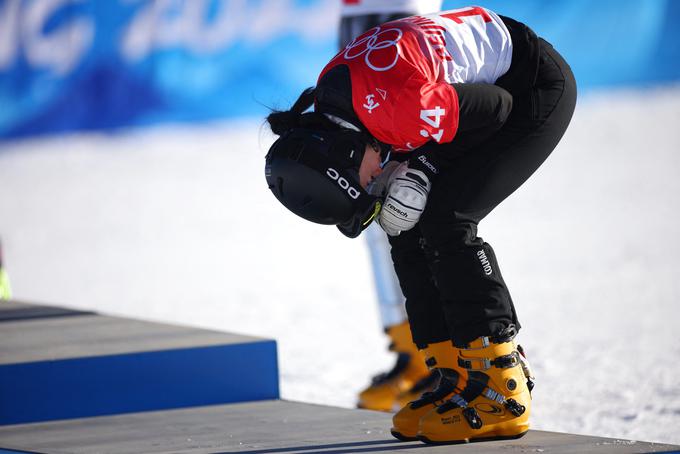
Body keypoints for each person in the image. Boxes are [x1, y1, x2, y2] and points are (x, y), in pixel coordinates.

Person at [265, 5, 576, 444]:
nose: (373, 184)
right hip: (459, 97)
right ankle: (454, 378)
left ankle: (504, 389)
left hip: (530, 87)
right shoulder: (337, 110)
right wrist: (415, 164)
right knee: (403, 223)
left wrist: (425, 163)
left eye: (364, 183)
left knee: (448, 219)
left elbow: (497, 108)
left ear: (346, 155)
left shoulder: (397, 111)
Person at [338, 0, 443, 413]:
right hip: (355, 19)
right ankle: (411, 353)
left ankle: (439, 353)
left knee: (408, 205)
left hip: (401, 17)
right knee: (370, 209)